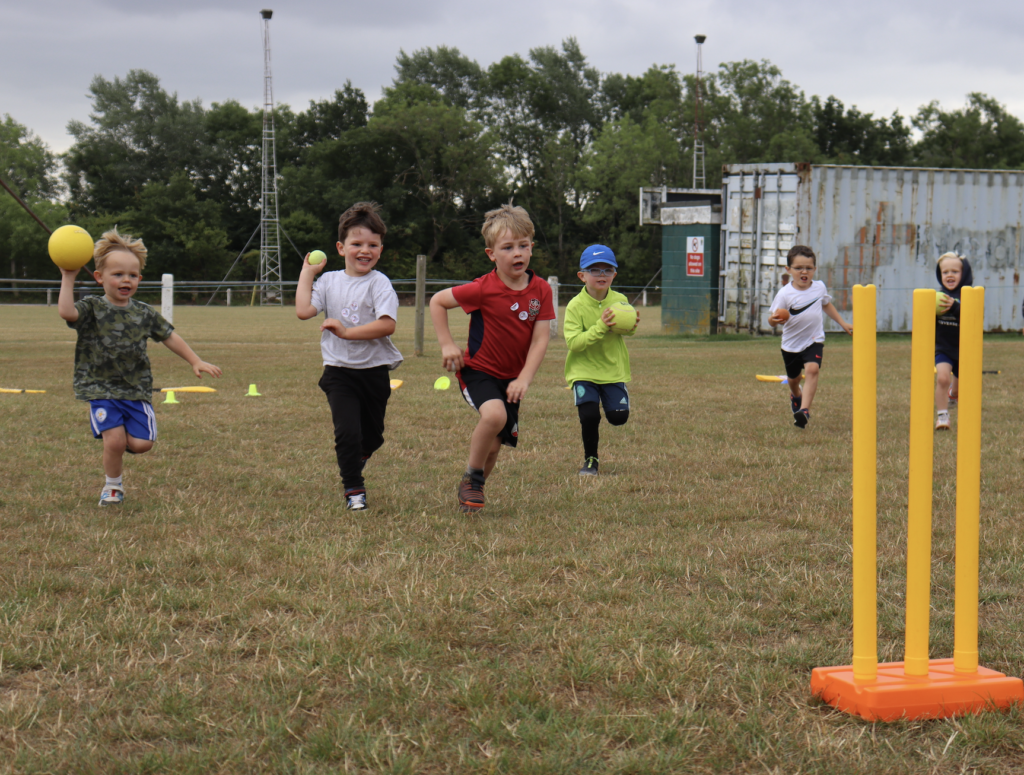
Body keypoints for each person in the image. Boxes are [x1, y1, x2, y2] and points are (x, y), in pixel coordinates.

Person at [57, 228, 222, 506]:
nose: (126, 280)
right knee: (115, 442)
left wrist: (195, 360)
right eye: (118, 274)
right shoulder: (92, 308)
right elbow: (66, 312)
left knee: (142, 445)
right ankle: (113, 487)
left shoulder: (143, 313)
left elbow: (169, 335)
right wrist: (68, 276)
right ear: (99, 277)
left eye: (132, 275)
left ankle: (119, 437)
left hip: (135, 390)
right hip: (100, 388)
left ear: (139, 280)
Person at [430, 204, 555, 513]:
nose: (518, 253)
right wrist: (447, 344)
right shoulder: (482, 289)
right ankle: (472, 478)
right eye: (508, 247)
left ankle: (472, 490)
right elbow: (437, 302)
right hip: (478, 372)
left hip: (512, 380)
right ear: (491, 254)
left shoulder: (541, 290)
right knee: (495, 417)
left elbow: (540, 339)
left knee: (496, 444)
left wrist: (524, 378)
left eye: (523, 246)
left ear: (531, 247)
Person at [295, 202, 403, 511]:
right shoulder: (328, 281)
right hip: (339, 371)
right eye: (357, 244)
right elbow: (304, 311)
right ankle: (354, 489)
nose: (364, 250)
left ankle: (362, 453)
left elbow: (387, 325)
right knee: (347, 433)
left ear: (381, 249)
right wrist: (307, 272)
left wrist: (345, 332)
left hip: (374, 372)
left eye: (372, 244)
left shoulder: (379, 283)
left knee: (372, 437)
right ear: (342, 248)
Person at [563, 244, 638, 476]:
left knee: (618, 418)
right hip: (583, 370)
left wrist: (630, 326)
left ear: (614, 274)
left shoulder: (620, 300)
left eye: (607, 270)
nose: (601, 275)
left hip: (612, 370)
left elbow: (625, 331)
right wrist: (601, 326)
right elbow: (574, 343)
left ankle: (616, 397)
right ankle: (591, 460)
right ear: (582, 275)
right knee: (590, 415)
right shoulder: (575, 306)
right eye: (594, 270)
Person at [767, 245, 852, 428]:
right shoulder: (784, 294)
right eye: (798, 268)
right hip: (790, 345)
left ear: (815, 269)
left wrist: (843, 323)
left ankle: (804, 411)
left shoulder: (819, 287)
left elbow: (826, 304)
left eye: (809, 268)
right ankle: (796, 396)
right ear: (788, 270)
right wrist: (774, 321)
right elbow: (772, 320)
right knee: (793, 379)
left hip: (814, 340)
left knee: (813, 369)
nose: (804, 272)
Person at [934, 252, 973, 431]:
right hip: (944, 347)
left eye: (955, 272)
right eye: (945, 272)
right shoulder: (937, 297)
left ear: (963, 274)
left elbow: (973, 317)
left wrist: (956, 306)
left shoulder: (969, 295)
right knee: (942, 378)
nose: (949, 275)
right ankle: (943, 416)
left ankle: (952, 394)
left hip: (965, 349)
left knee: (958, 391)